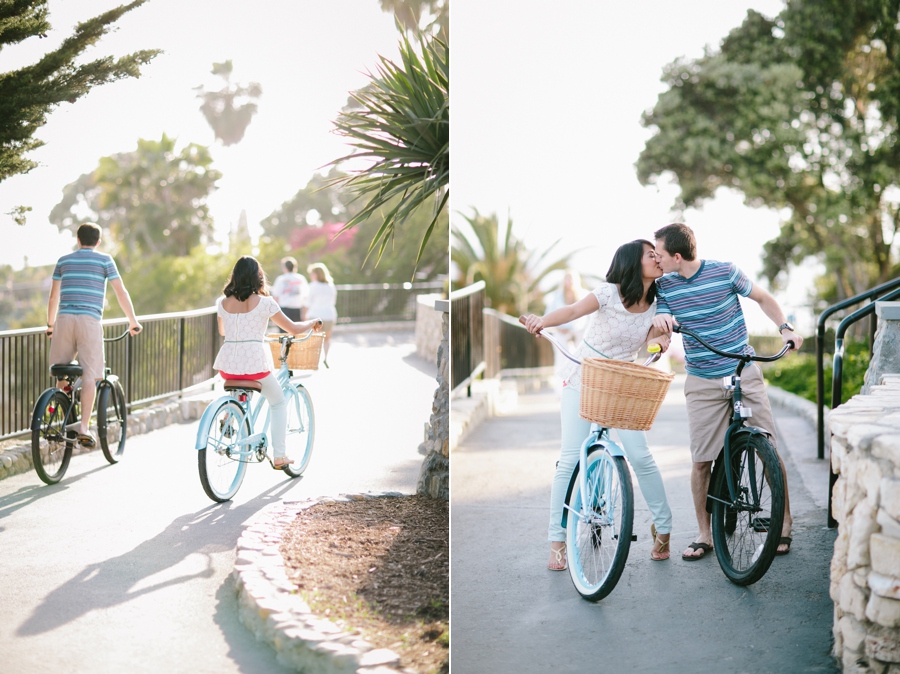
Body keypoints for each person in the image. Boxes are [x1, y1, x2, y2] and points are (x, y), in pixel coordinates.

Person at [650, 223, 803, 560]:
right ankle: (705, 533)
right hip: (702, 379)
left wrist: (785, 329)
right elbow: (661, 323)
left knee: (769, 450)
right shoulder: (664, 287)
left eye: (659, 254)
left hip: (742, 370)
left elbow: (762, 297)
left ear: (677, 256)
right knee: (701, 461)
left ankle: (785, 524)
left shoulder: (725, 272)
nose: (655, 259)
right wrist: (660, 335)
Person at [523, 240, 674, 570]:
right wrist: (542, 321)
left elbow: (651, 339)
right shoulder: (609, 292)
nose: (657, 258)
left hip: (622, 384)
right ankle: (557, 542)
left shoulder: (659, 301)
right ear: (634, 263)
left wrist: (659, 341)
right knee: (569, 459)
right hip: (583, 378)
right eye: (651, 254)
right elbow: (574, 310)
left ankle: (663, 528)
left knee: (640, 455)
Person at [213, 256, 322, 469]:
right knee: (278, 401)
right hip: (254, 365)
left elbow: (222, 331)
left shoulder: (222, 303)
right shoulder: (265, 303)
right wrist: (312, 322)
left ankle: (230, 416)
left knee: (239, 386)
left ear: (234, 276)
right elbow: (294, 328)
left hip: (227, 365)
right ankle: (279, 455)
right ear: (258, 277)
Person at [46, 223, 142, 449]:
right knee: (90, 375)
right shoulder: (105, 260)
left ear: (78, 240)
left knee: (60, 368)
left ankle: (62, 404)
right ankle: (83, 428)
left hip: (64, 319)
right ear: (98, 242)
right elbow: (121, 292)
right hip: (89, 322)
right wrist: (133, 321)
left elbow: (53, 298)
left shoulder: (64, 260)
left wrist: (50, 325)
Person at [544, 269, 589, 385]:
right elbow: (549, 315)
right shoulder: (557, 297)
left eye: (571, 278)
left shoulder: (584, 295)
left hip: (578, 336)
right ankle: (560, 390)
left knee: (578, 362)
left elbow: (587, 317)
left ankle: (577, 386)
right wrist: (559, 329)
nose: (569, 281)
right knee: (560, 362)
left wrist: (576, 332)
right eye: (567, 278)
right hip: (560, 335)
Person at [306, 262, 337, 368]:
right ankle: (325, 358)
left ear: (316, 274)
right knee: (327, 339)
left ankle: (315, 361)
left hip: (315, 315)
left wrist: (304, 315)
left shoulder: (313, 286)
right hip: (329, 315)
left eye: (312, 273)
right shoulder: (331, 286)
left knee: (314, 339)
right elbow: (333, 302)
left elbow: (307, 302)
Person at [271, 256, 309, 326]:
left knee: (283, 334)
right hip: (297, 310)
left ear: (285, 268)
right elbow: (306, 297)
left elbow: (276, 297)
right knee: (297, 333)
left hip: (284, 311)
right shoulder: (301, 278)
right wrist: (304, 313)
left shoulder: (280, 279)